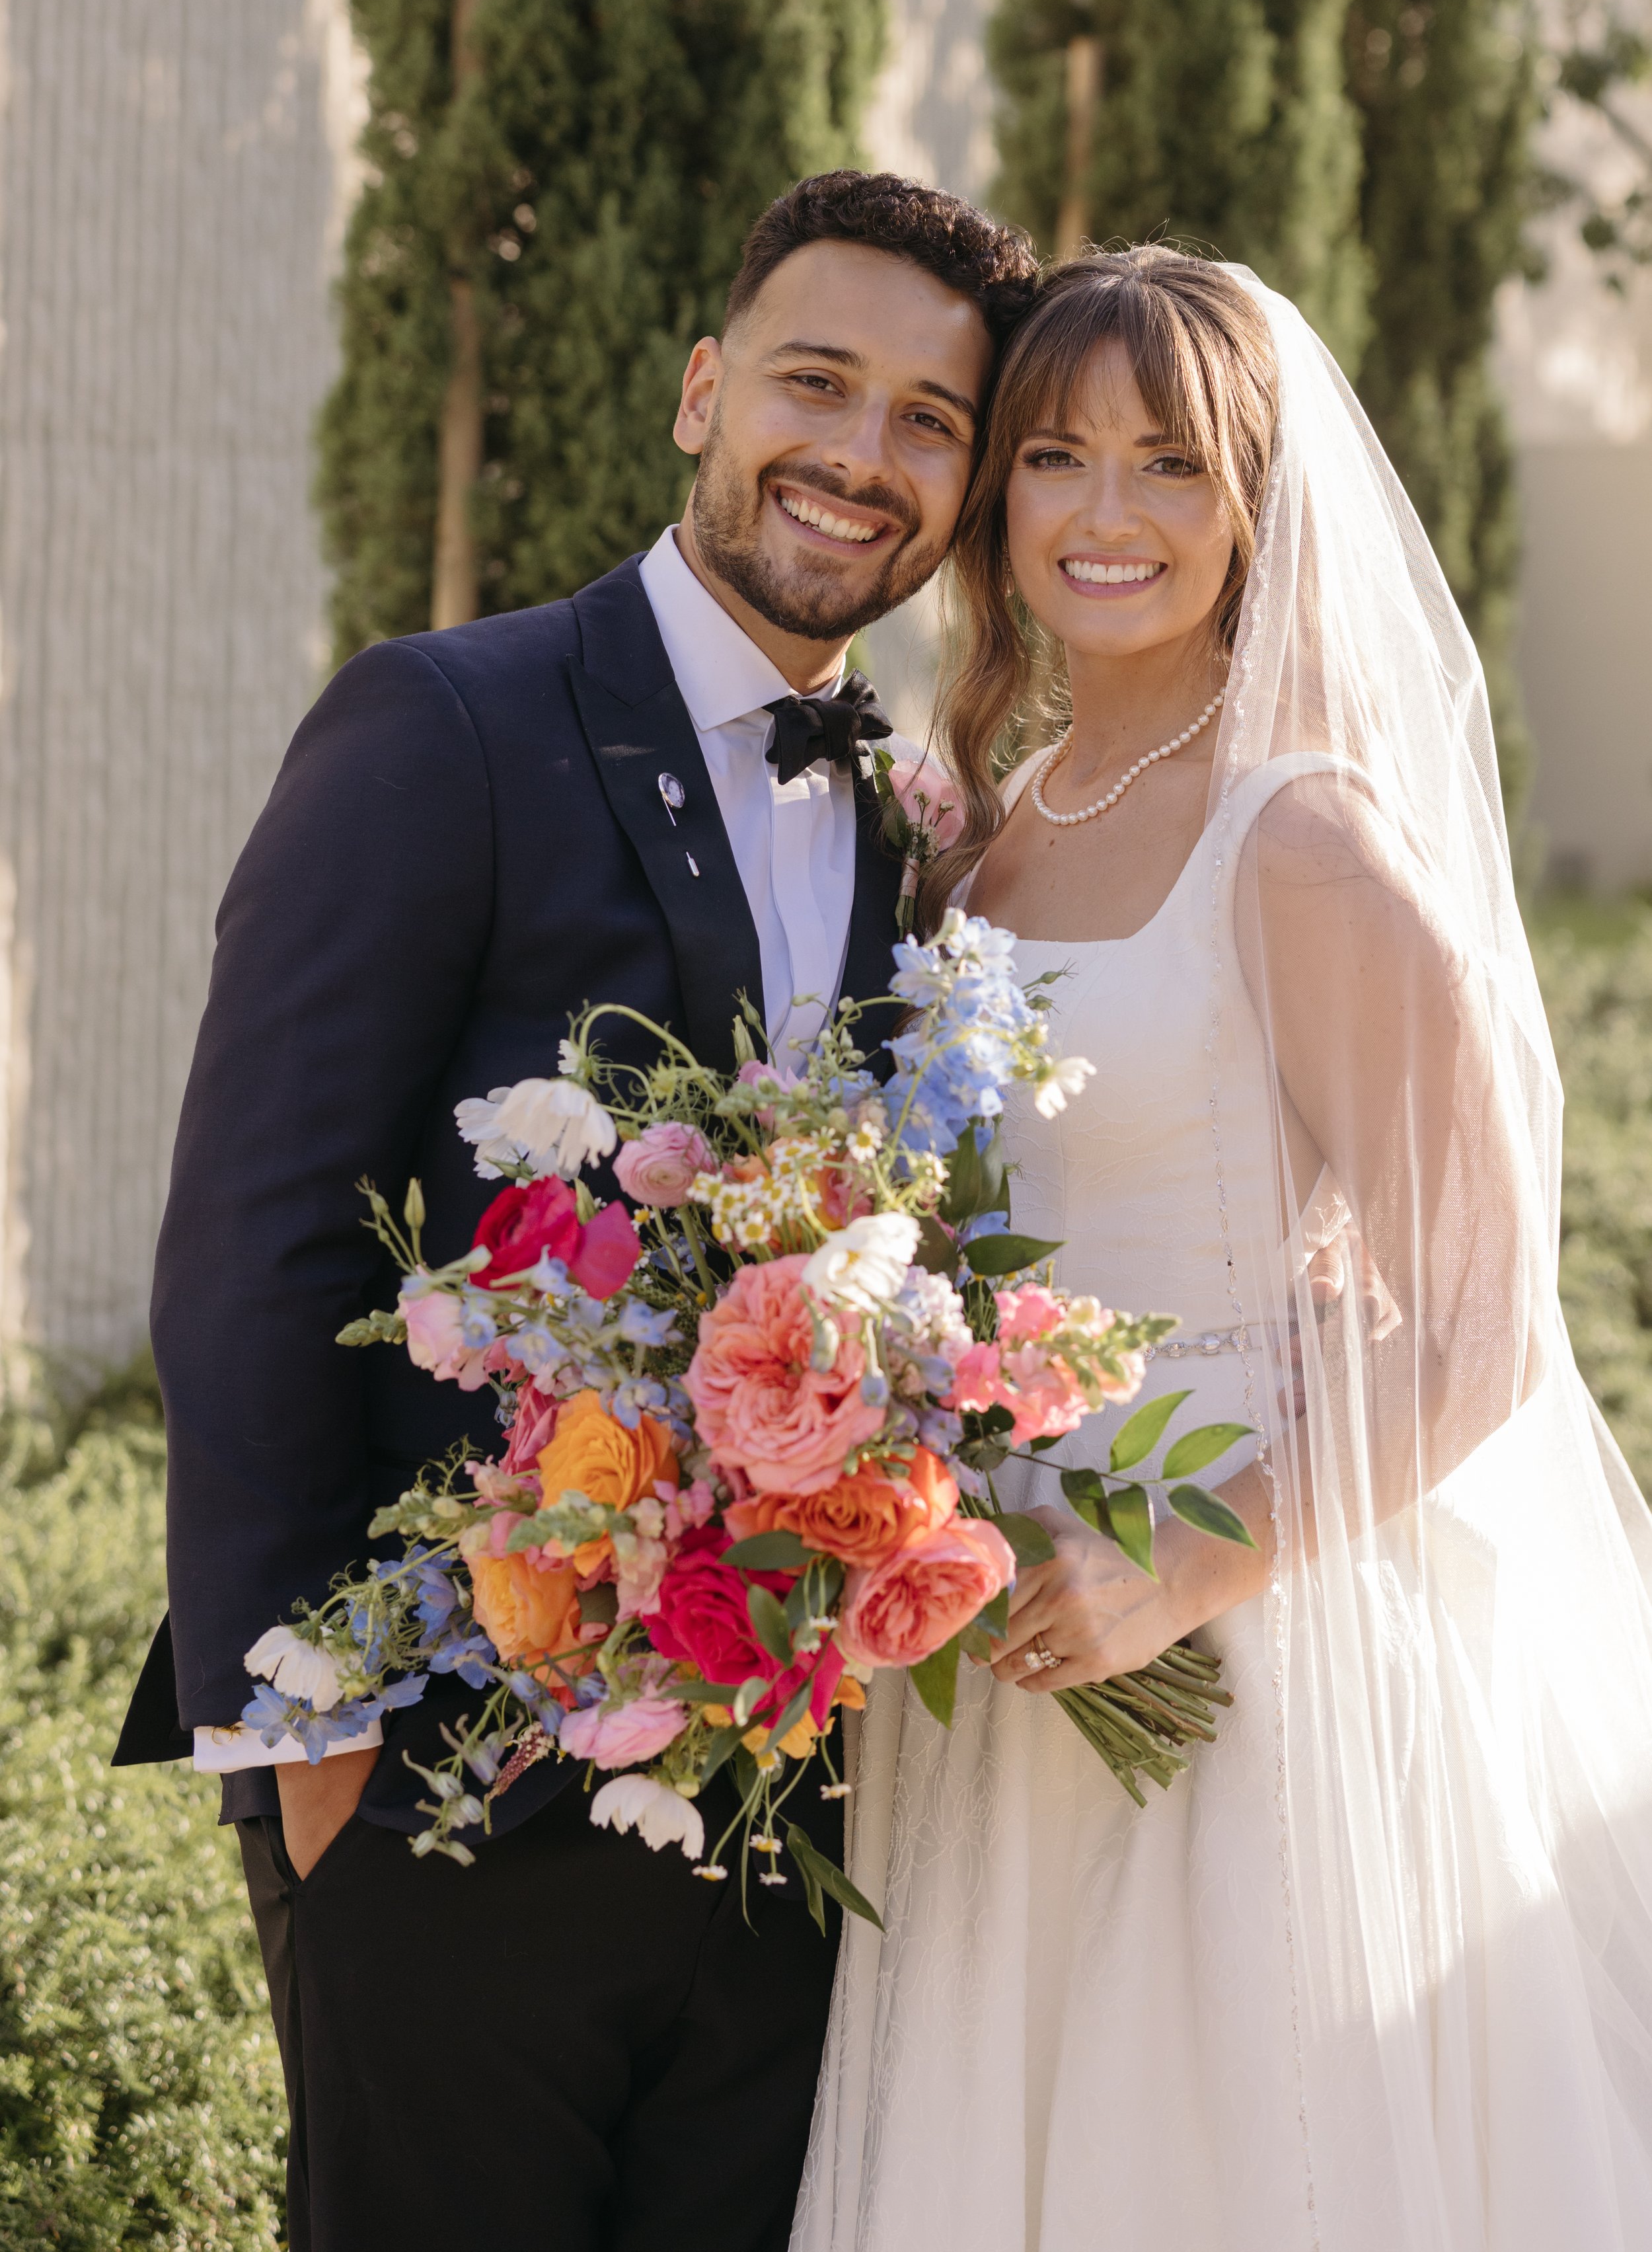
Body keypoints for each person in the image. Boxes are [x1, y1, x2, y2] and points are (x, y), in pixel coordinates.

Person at [112, 169, 1038, 2252]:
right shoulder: (444, 722)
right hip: (451, 1786)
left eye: (927, 421)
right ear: (703, 392)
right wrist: (307, 1757)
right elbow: (255, 1244)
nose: (859, 454)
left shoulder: (920, 813)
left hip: (801, 1808)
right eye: (816, 381)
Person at [793, 247, 1652, 2251]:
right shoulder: (980, 840)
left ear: (1252, 505)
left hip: (1240, 1640)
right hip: (991, 1632)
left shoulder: (1302, 840)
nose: (1104, 516)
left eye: (1168, 466)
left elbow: (1474, 1324)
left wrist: (1185, 1569)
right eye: (1056, 459)